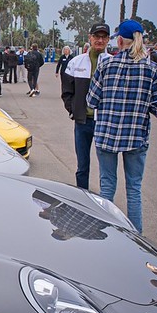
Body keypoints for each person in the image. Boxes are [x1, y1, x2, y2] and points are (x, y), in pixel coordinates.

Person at [87, 19, 157, 233]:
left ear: (120, 41)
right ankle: (136, 237)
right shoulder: (152, 69)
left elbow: (91, 101)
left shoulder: (106, 66)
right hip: (136, 137)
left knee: (107, 186)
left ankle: (106, 232)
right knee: (134, 189)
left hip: (107, 135)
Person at [61, 22, 112, 190]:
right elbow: (67, 91)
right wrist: (73, 110)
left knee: (107, 168)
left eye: (103, 37)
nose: (100, 40)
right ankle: (82, 197)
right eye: (96, 36)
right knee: (82, 166)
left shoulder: (113, 63)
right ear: (90, 37)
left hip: (104, 123)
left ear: (108, 40)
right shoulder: (76, 62)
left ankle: (105, 200)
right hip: (82, 122)